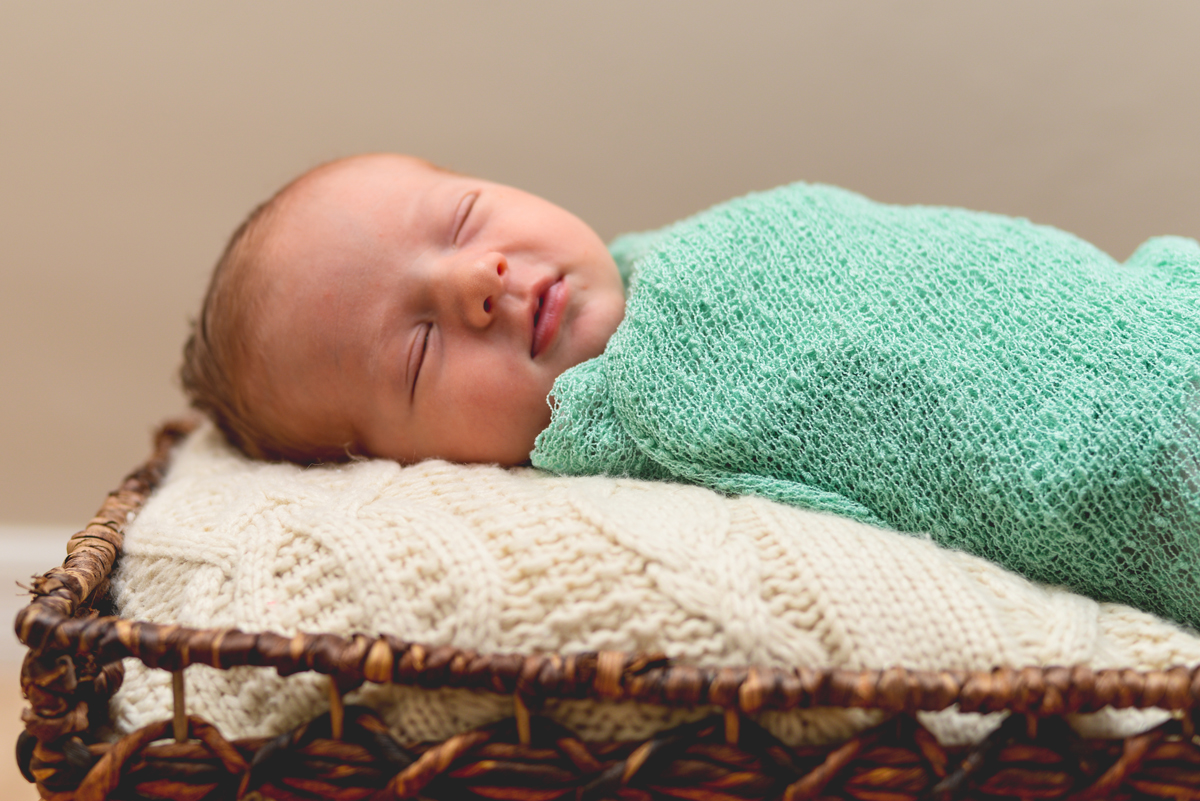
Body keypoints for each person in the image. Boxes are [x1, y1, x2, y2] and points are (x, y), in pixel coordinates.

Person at [184, 152, 1200, 628]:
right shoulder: (626, 455)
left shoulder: (686, 258)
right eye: (415, 353)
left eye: (462, 218)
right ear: (402, 468)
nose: (475, 282)